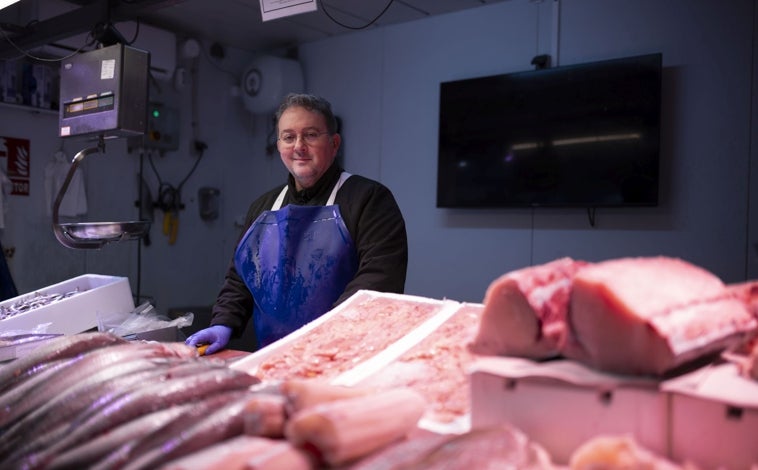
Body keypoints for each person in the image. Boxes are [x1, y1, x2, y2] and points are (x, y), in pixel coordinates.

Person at [186, 93, 408, 353]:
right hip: (273, 356)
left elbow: (378, 280)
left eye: (311, 135)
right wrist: (223, 322)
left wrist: (322, 339)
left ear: (334, 144)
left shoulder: (369, 200)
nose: (299, 146)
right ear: (279, 145)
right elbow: (241, 278)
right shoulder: (263, 207)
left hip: (347, 354)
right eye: (289, 137)